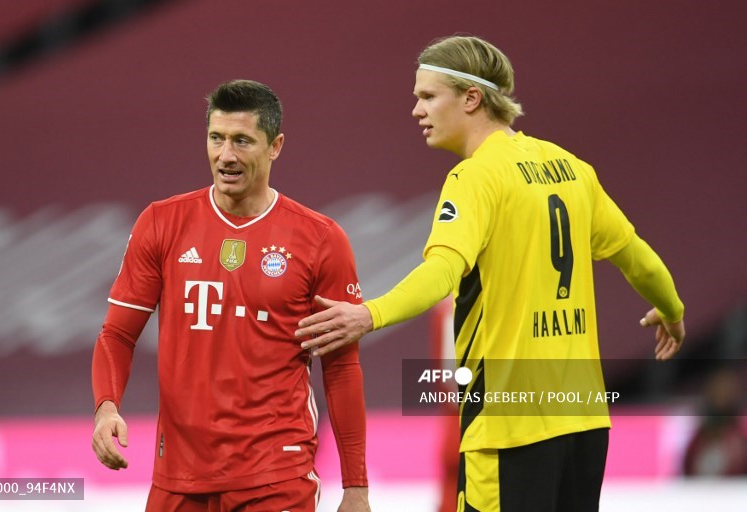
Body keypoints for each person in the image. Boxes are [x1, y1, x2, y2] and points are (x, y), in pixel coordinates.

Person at [295, 35, 686, 511]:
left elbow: (442, 272)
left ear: (471, 98)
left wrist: (369, 314)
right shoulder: (573, 169)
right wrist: (672, 311)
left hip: (510, 427)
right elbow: (638, 258)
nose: (417, 110)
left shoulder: (475, 178)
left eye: (428, 96)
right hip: (584, 424)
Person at [91, 80, 370, 512]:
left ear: (275, 146)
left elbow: (342, 367)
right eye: (216, 138)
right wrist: (106, 408)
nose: (226, 155)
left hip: (274, 475)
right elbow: (117, 335)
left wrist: (356, 487)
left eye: (242, 140)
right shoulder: (161, 222)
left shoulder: (321, 239)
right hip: (178, 474)